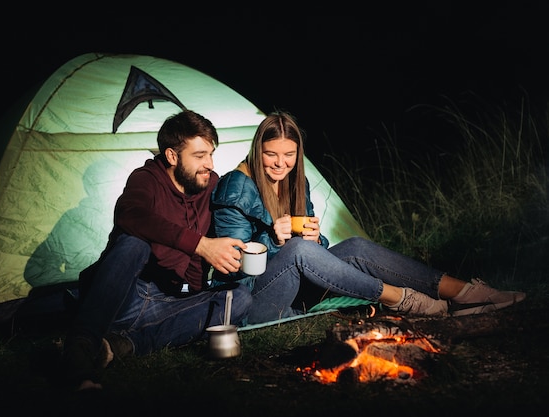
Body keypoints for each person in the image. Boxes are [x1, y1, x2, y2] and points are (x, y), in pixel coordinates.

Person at [210, 110, 526, 325]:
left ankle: (464, 292)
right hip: (253, 303)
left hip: (295, 288)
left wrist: (314, 238)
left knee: (357, 247)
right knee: (298, 250)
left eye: (289, 155)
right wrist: (273, 239)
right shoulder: (236, 186)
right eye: (271, 155)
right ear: (257, 151)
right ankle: (402, 299)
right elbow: (234, 266)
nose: (280, 164)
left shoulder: (295, 182)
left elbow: (316, 249)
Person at [62, 110, 252, 391]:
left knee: (239, 299)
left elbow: (237, 212)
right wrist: (201, 245)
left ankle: (120, 346)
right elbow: (132, 214)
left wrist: (259, 238)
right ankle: (82, 346)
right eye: (199, 156)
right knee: (133, 242)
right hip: (129, 295)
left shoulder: (211, 184)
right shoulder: (146, 179)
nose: (209, 165)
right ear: (172, 156)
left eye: (211, 154)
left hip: (174, 300)